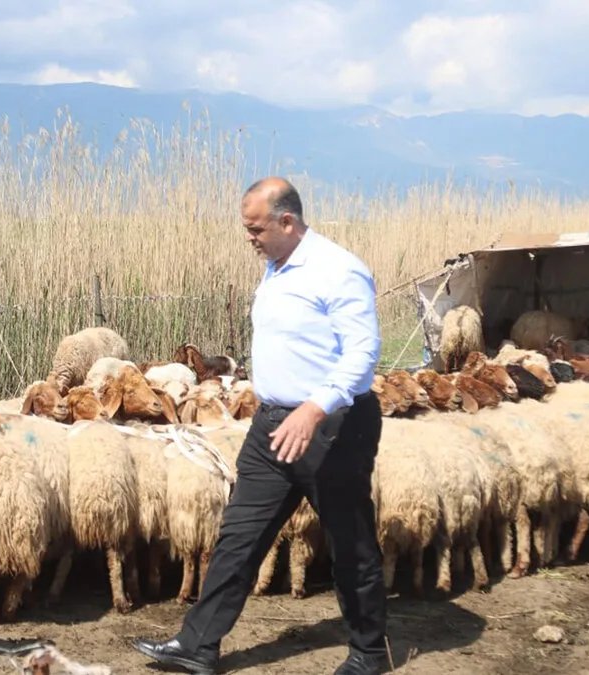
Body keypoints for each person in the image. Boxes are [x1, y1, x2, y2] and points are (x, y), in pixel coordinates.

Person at [132, 177, 386, 675]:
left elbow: (362, 355)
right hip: (272, 425)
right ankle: (197, 645)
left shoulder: (338, 271)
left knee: (349, 538)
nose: (249, 238)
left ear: (286, 221)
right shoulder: (275, 267)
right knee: (238, 536)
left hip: (332, 427)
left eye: (255, 229)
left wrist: (314, 408)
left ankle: (369, 652)